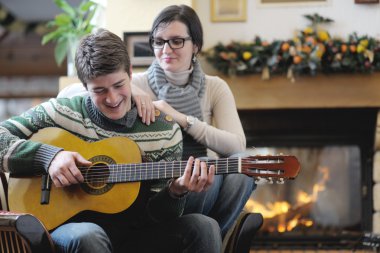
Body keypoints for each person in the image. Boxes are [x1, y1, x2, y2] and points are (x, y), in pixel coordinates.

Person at [0, 28, 222, 253]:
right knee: (89, 235)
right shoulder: (60, 113)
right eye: (99, 90)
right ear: (85, 87)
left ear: (131, 73)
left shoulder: (164, 131)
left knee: (205, 227)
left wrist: (176, 191)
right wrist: (49, 157)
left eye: (119, 85)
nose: (113, 98)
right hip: (69, 228)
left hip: (136, 233)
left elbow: (155, 217)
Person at [59, 4, 257, 241]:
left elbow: (236, 145)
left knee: (243, 164)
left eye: (176, 41)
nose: (166, 49)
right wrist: (131, 89)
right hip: (162, 186)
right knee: (203, 167)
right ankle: (202, 236)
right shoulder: (133, 83)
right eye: (159, 41)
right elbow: (68, 94)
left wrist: (180, 118)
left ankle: (216, 237)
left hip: (201, 175)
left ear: (196, 45)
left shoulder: (215, 87)